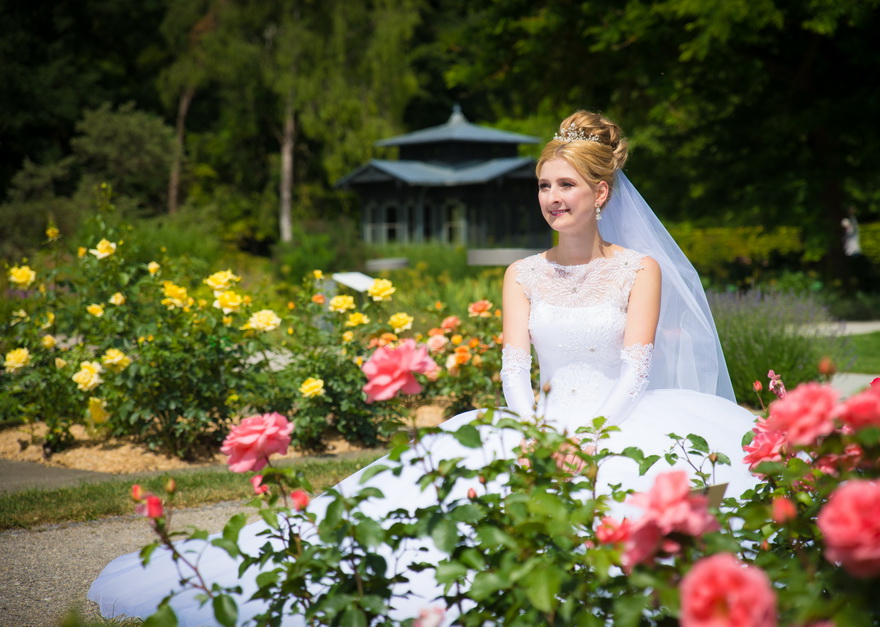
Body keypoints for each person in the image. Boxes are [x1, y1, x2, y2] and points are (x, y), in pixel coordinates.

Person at [88, 111, 758, 625]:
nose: (553, 197)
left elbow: (637, 369)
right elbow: (513, 365)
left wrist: (590, 439)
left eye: (567, 185)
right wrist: (539, 432)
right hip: (538, 420)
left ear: (600, 192)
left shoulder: (639, 270)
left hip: (621, 417)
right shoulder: (521, 273)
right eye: (544, 185)